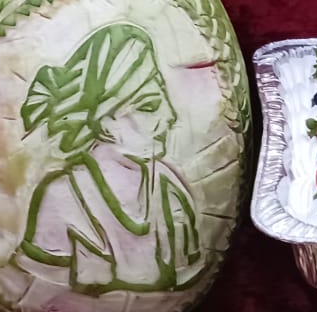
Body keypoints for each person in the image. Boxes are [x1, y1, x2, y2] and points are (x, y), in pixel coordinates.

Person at [14, 22, 203, 296]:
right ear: (104, 121)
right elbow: (39, 294)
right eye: (149, 106)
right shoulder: (62, 198)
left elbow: (187, 283)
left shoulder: (170, 189)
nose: (170, 117)